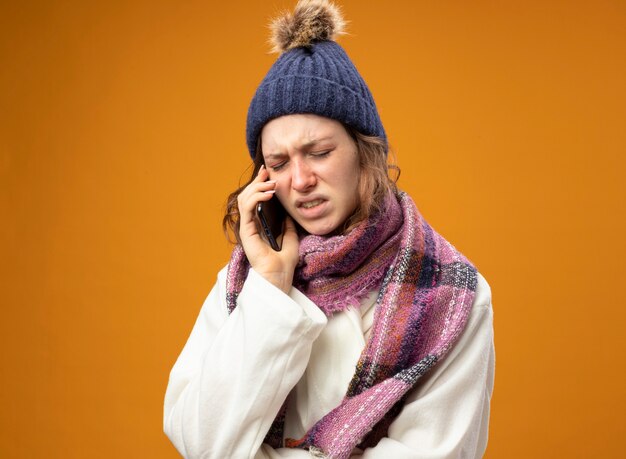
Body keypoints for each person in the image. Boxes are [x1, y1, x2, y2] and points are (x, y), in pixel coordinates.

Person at [163, 1, 495, 458]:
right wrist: (272, 290)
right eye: (278, 163)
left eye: (318, 152)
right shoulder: (244, 286)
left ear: (365, 151)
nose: (299, 181)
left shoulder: (451, 291)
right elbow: (201, 443)